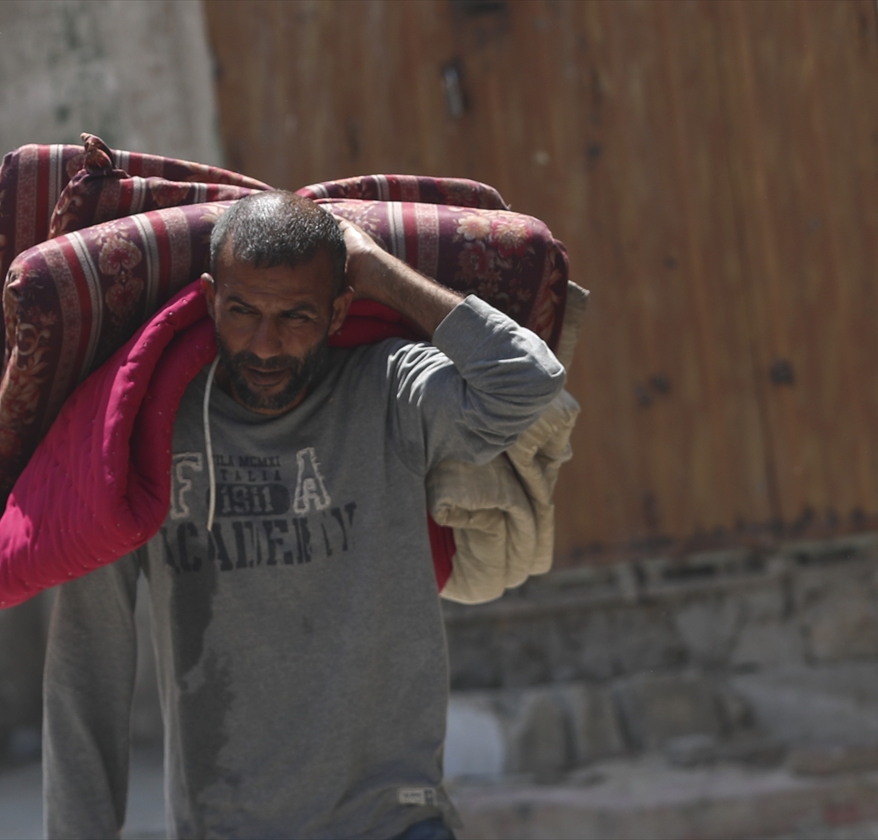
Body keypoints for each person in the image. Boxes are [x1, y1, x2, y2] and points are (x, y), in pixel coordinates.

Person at [42, 191, 565, 839]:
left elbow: (527, 382)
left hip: (394, 821)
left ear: (338, 310)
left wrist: (377, 269)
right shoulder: (145, 433)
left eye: (296, 315)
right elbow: (86, 671)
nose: (265, 346)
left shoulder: (388, 391)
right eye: (243, 311)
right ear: (210, 299)